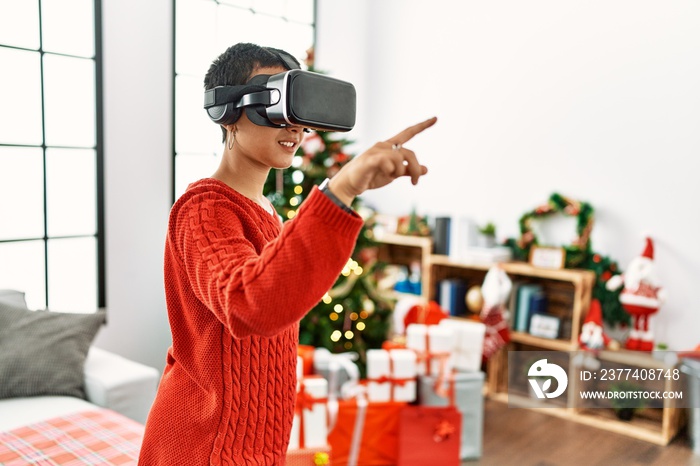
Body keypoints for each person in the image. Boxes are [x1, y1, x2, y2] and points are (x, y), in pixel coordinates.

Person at [138, 42, 436, 465]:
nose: (293, 126)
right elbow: (249, 305)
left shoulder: (267, 211)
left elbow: (283, 299)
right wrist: (341, 189)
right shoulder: (204, 209)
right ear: (228, 113)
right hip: (203, 446)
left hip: (255, 446)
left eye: (298, 113)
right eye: (275, 105)